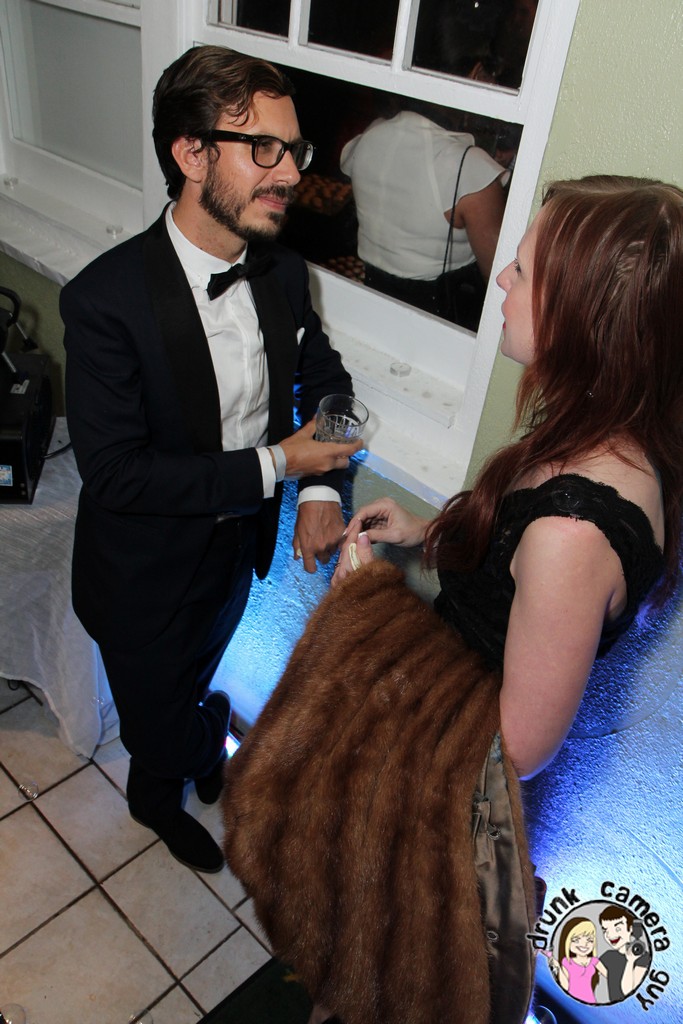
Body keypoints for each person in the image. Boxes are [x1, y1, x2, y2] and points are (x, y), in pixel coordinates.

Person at [221, 175, 683, 1024]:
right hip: (432, 763)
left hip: (450, 801)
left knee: (401, 971)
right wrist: (431, 531)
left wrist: (368, 613)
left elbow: (516, 746)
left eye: (524, 268)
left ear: (587, 316)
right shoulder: (602, 432)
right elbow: (516, 577)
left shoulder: (574, 531)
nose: (499, 276)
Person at [61, 45, 361, 874]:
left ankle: (177, 756)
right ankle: (179, 769)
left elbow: (326, 379)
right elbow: (116, 473)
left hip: (235, 556)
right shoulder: (103, 301)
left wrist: (318, 491)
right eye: (261, 147)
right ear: (190, 154)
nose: (290, 172)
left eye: (293, 149)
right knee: (157, 726)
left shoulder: (284, 271)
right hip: (141, 575)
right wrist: (282, 467)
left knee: (199, 668)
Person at [339, 100, 507, 328]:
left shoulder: (371, 135)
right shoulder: (469, 166)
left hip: (374, 302)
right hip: (444, 317)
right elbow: (500, 280)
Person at [599, 906, 651, 1002]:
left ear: (630, 929)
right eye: (605, 930)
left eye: (618, 929)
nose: (610, 935)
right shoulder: (608, 956)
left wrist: (630, 961)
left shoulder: (643, 957)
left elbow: (627, 992)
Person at [550, 917, 607, 1003]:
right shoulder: (567, 962)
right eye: (576, 940)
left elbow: (610, 976)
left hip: (590, 1001)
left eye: (590, 940)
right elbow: (565, 986)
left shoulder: (594, 961)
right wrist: (558, 968)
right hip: (571, 1001)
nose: (584, 944)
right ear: (567, 941)